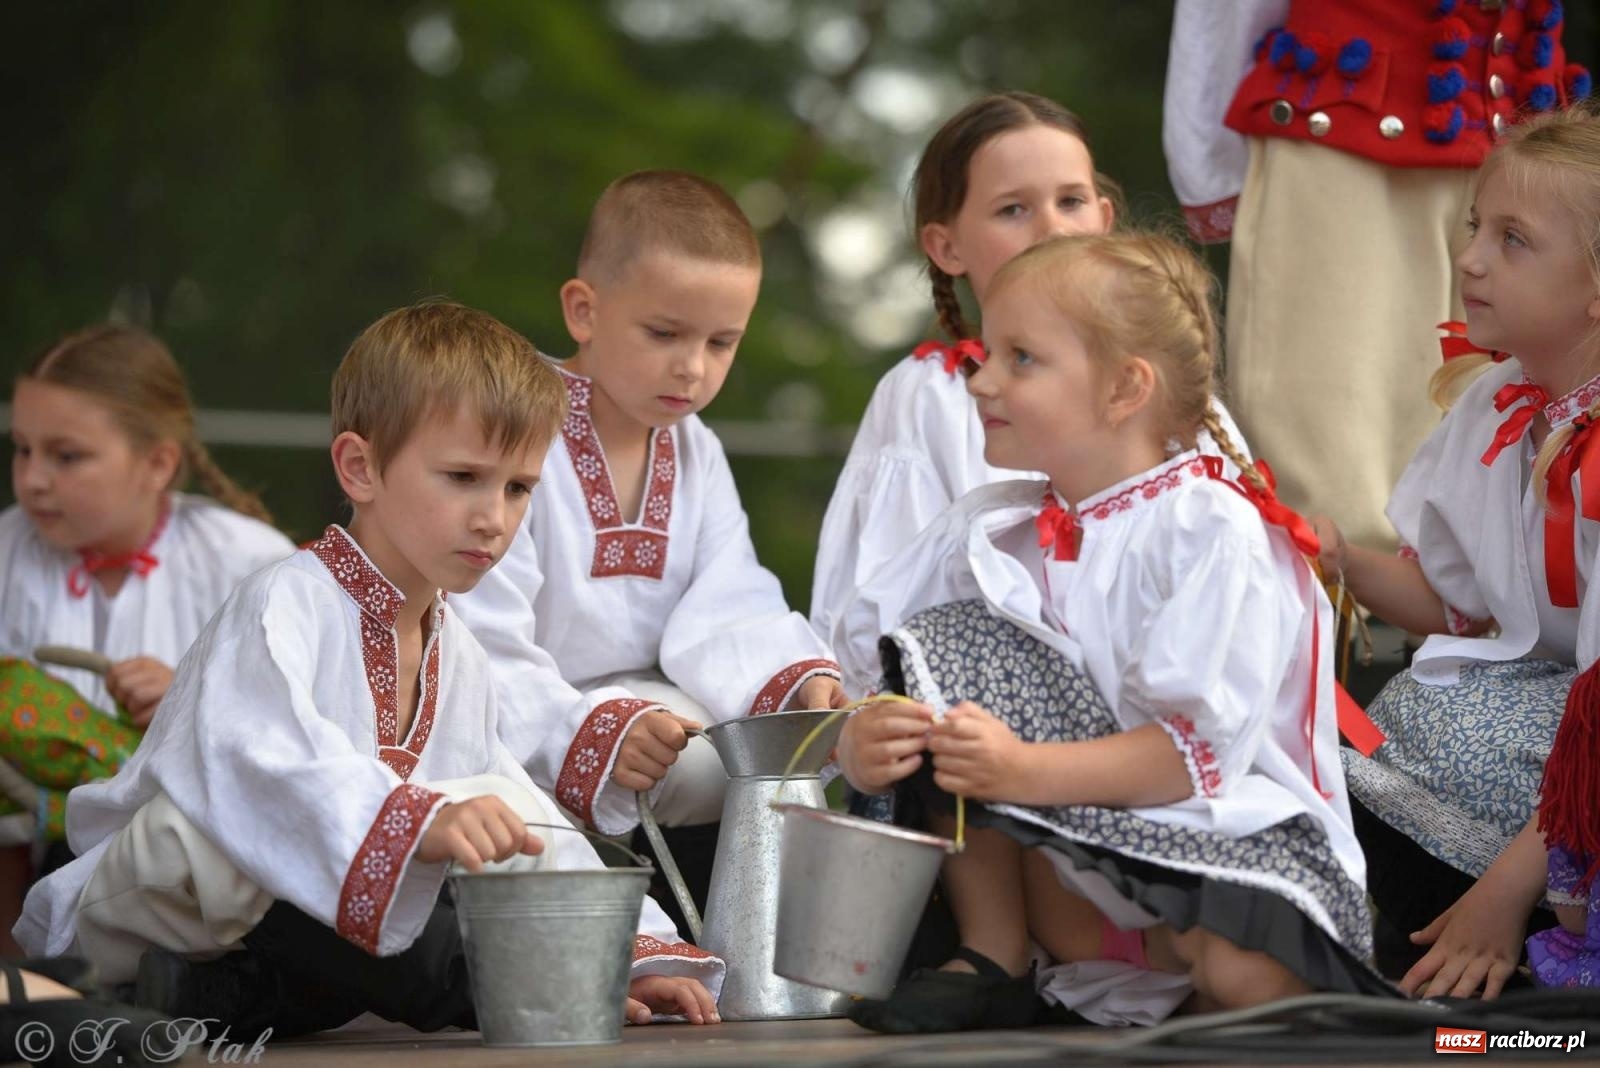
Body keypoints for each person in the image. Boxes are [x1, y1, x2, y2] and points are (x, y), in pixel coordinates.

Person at [14, 301, 722, 1038]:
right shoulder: (283, 601)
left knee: (464, 821)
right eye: (462, 477)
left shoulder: (460, 650)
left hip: (263, 944)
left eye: (517, 488)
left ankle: (187, 998)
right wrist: (424, 823)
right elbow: (266, 773)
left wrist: (625, 950)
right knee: (305, 854)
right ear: (360, 468)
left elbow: (512, 802)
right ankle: (506, 988)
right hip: (145, 905)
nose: (495, 517)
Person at [831, 232, 1385, 1033]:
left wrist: (1016, 768)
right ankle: (997, 950)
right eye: (989, 350)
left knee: (1241, 975)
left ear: (1125, 388)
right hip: (1069, 901)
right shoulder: (995, 528)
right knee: (947, 635)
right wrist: (867, 743)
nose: (982, 379)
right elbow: (880, 660)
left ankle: (1208, 993)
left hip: (1215, 848)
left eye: (1021, 358)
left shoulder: (1212, 528)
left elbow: (1188, 759)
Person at [451, 172, 842, 915]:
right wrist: (588, 732)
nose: (692, 367)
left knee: (750, 760)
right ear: (584, 311)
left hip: (645, 713)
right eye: (664, 333)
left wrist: (794, 684)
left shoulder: (698, 452)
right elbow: (476, 631)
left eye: (721, 342)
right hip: (514, 711)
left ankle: (729, 944)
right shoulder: (512, 428)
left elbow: (730, 603)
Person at [1323, 103, 1600, 999]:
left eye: (1513, 239)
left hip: (1584, 758)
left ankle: (1527, 931)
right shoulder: (1495, 402)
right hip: (1555, 731)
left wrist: (1502, 890)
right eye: (1476, 226)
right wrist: (1335, 557)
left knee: (1459, 724)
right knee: (1405, 712)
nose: (1471, 257)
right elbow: (1458, 607)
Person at [811, 91, 1250, 650]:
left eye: (1072, 201)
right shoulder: (935, 395)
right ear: (946, 246)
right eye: (1013, 209)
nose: (1053, 231)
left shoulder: (1164, 380)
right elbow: (885, 614)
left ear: (1105, 219)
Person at [1164, 0, 1590, 551]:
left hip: (1523, 138)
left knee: (1515, 434)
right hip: (1345, 132)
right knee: (1332, 457)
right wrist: (1207, 159)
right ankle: (1341, 622)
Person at [1, 325, 293, 949]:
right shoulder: (6, 553)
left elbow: (308, 721)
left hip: (182, 865)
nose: (33, 479)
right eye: (22, 449)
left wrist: (191, 702)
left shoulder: (248, 560)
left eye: (66, 455)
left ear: (158, 462)